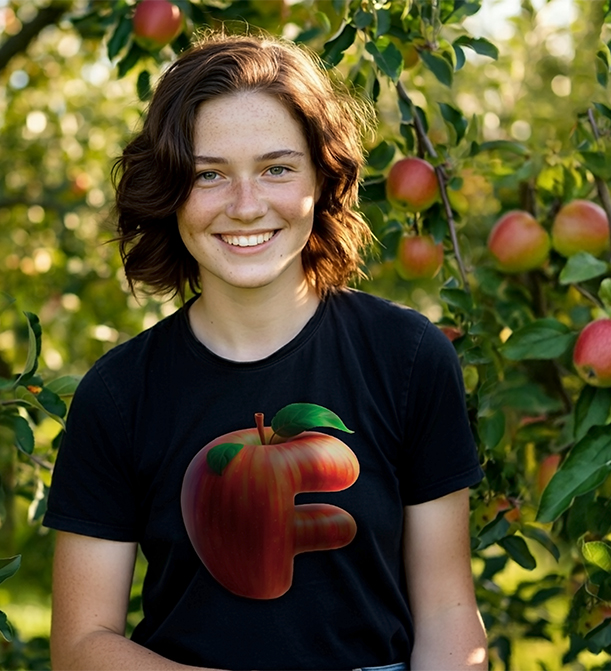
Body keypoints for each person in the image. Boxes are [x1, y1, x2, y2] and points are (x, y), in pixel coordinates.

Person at [44, 31, 488, 671]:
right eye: (210, 175)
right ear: (171, 191)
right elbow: (82, 645)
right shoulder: (120, 394)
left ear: (322, 179)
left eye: (277, 168)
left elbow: (448, 609)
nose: (246, 207)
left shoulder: (408, 358)